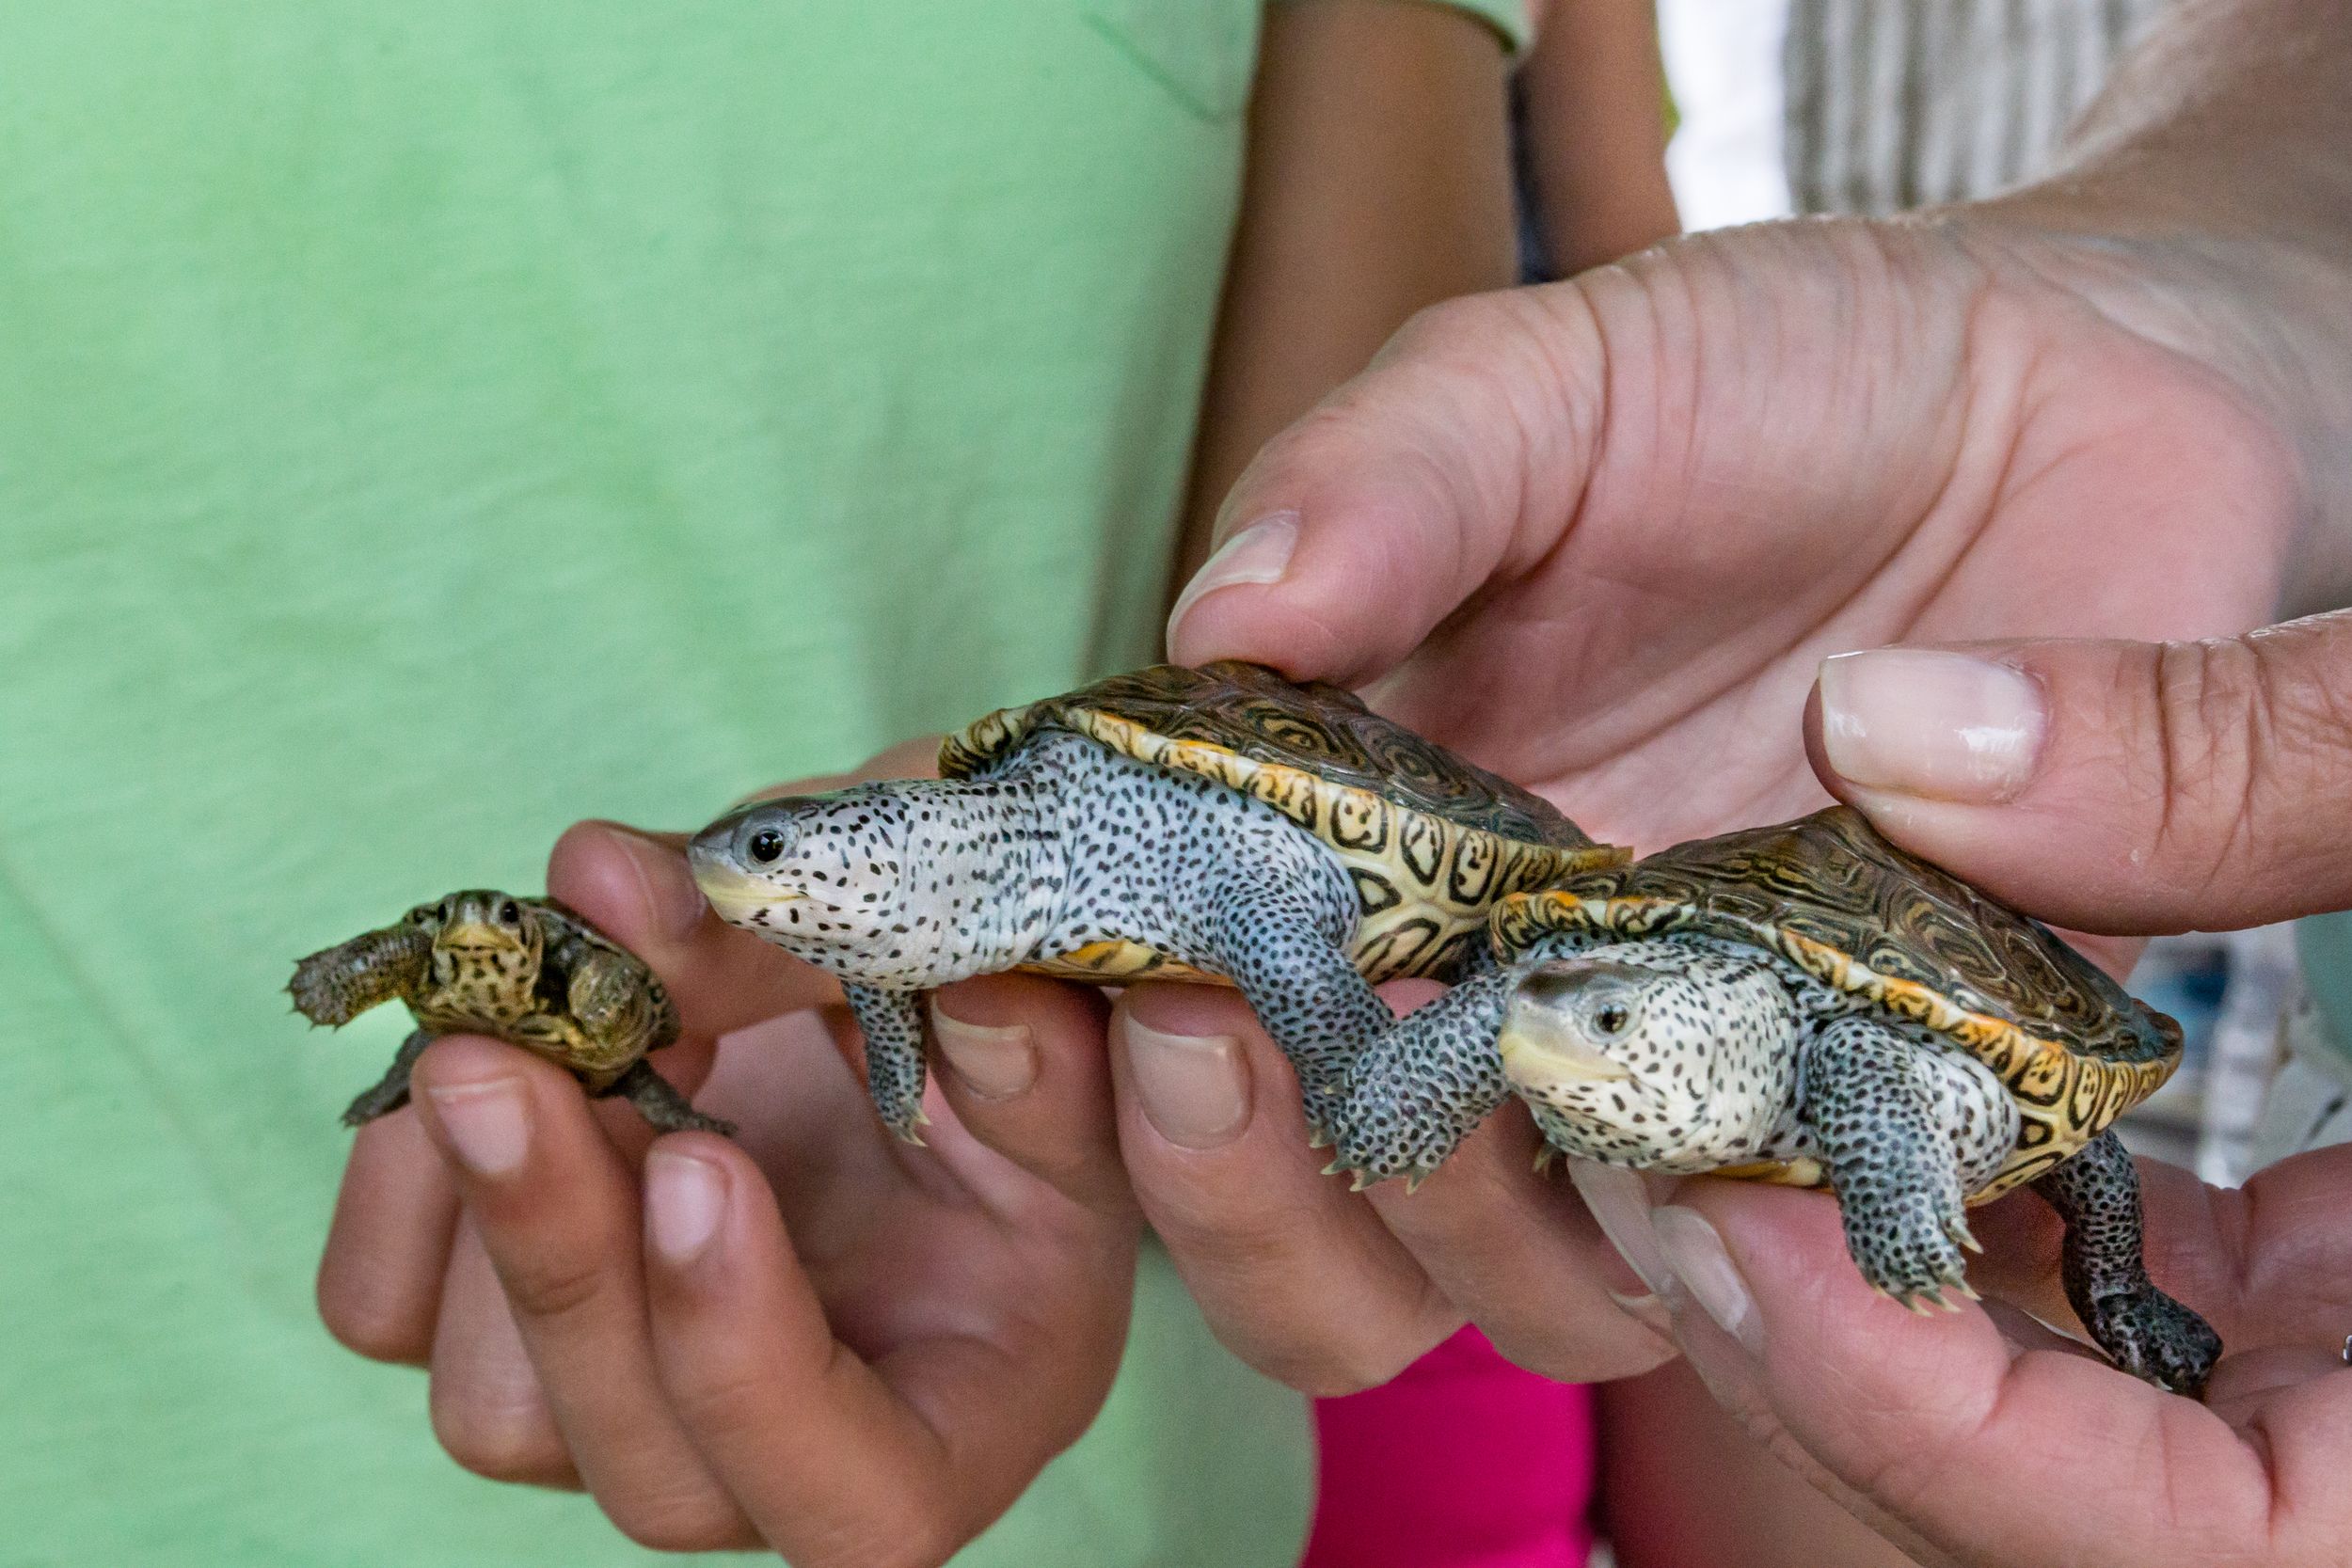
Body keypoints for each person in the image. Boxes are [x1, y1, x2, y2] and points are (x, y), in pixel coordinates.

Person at [0, 4, 1544, 1565]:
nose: (745, 878)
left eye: (782, 856)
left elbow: (1346, 644)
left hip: (1064, 1440)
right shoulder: (886, 944)